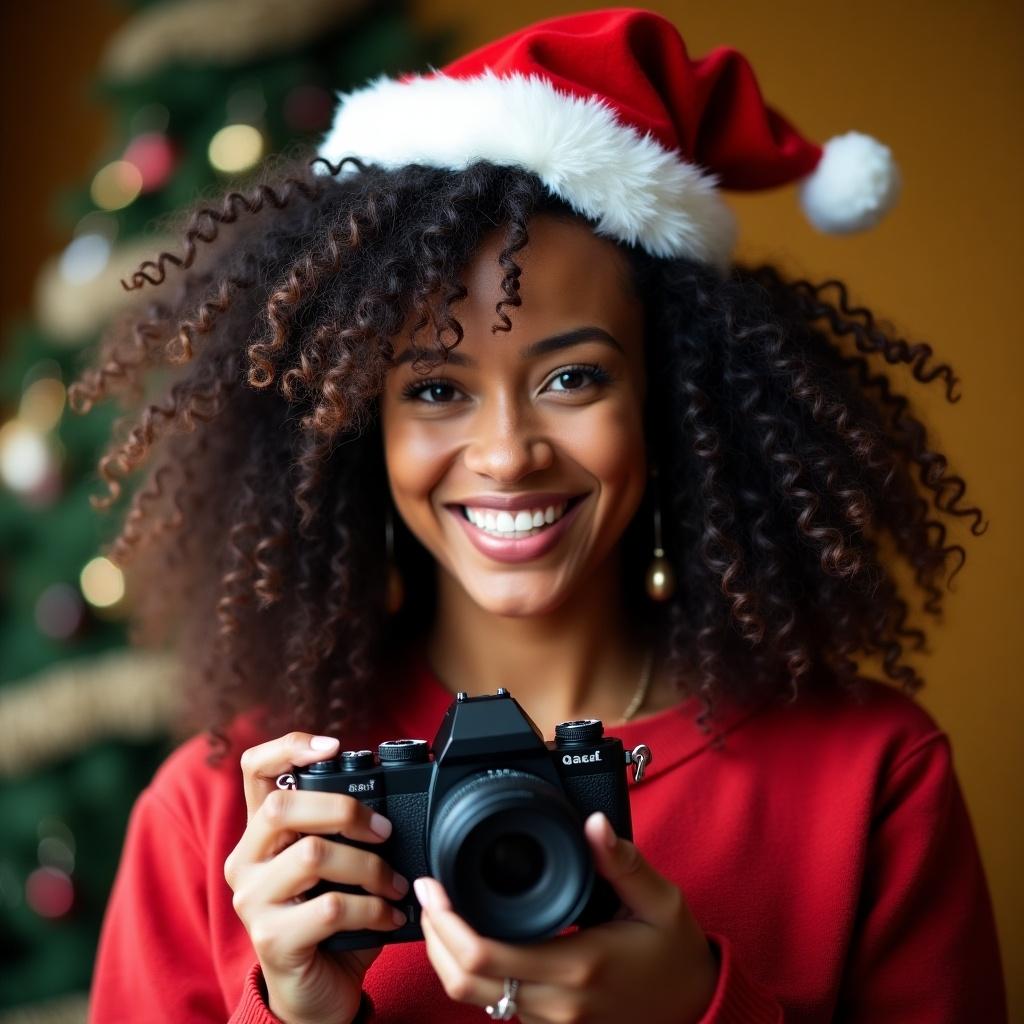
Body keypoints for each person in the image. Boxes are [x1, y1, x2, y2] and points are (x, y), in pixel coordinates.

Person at [76, 9, 1007, 1024]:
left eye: (571, 376)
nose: (507, 452)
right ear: (356, 430)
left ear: (672, 400)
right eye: (434, 388)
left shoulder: (871, 779)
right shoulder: (224, 817)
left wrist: (702, 1007)